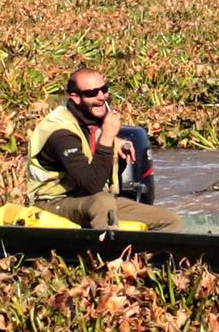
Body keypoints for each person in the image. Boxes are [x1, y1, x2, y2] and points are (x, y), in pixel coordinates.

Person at [27, 67, 182, 232]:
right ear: (76, 97)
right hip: (53, 202)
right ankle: (106, 255)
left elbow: (93, 153)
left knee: (170, 221)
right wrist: (107, 137)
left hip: (92, 199)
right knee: (102, 202)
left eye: (104, 90)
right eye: (92, 93)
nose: (101, 97)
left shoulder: (90, 119)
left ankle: (143, 257)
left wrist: (115, 142)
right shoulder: (60, 133)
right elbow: (91, 185)